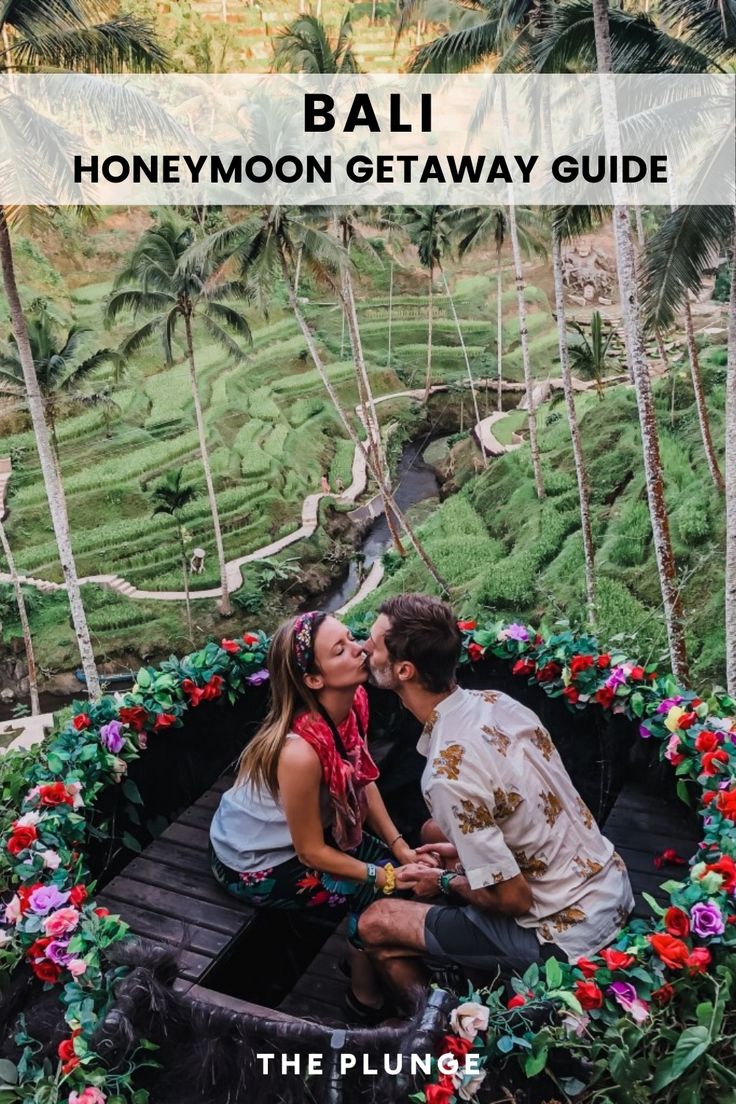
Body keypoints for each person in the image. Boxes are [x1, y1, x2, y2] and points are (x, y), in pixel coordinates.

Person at [358, 593, 634, 1004]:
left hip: (565, 936)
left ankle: (444, 1030)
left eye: (373, 643)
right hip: (611, 886)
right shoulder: (498, 703)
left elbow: (513, 898)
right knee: (434, 831)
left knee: (374, 925)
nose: (363, 647)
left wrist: (445, 881)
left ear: (403, 670)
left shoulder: (446, 776)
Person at [209, 610, 426, 1021]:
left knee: (396, 868)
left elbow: (362, 776)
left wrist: (400, 847)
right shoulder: (299, 753)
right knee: (378, 888)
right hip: (253, 861)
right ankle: (363, 996)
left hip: (301, 837)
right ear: (313, 679)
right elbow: (310, 853)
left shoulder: (354, 703)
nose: (360, 649)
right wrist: (387, 875)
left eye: (352, 638)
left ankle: (360, 954)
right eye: (340, 650)